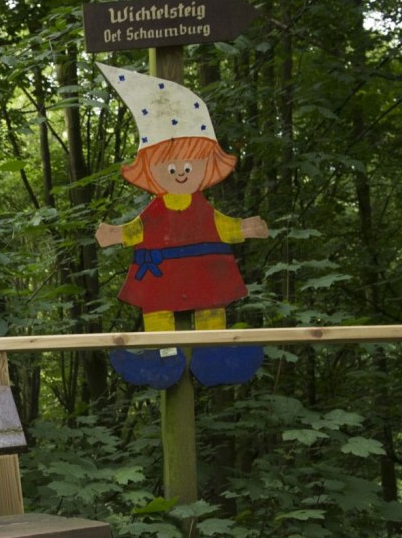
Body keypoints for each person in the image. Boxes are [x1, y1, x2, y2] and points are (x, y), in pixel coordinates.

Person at [92, 64, 269, 389]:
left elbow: (222, 225)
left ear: (208, 165)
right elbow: (138, 229)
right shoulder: (154, 210)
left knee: (210, 309)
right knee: (159, 313)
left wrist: (244, 228)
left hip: (205, 271)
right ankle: (162, 357)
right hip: (162, 276)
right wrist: (116, 234)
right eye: (170, 166)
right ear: (148, 170)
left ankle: (214, 357)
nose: (180, 173)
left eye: (189, 165)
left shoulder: (202, 207)